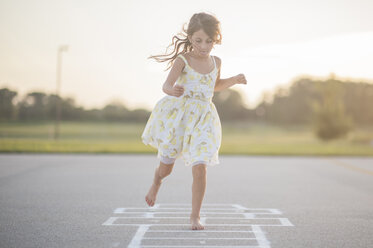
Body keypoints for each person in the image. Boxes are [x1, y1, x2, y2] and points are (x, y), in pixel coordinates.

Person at [141, 12, 247, 230]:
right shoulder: (183, 60)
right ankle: (156, 182)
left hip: (203, 118)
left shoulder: (216, 61)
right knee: (166, 168)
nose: (204, 46)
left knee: (200, 166)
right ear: (190, 38)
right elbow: (166, 86)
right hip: (180, 115)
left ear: (215, 40)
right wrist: (173, 90)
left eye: (209, 41)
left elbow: (214, 86)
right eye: (199, 40)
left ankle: (194, 216)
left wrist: (234, 80)